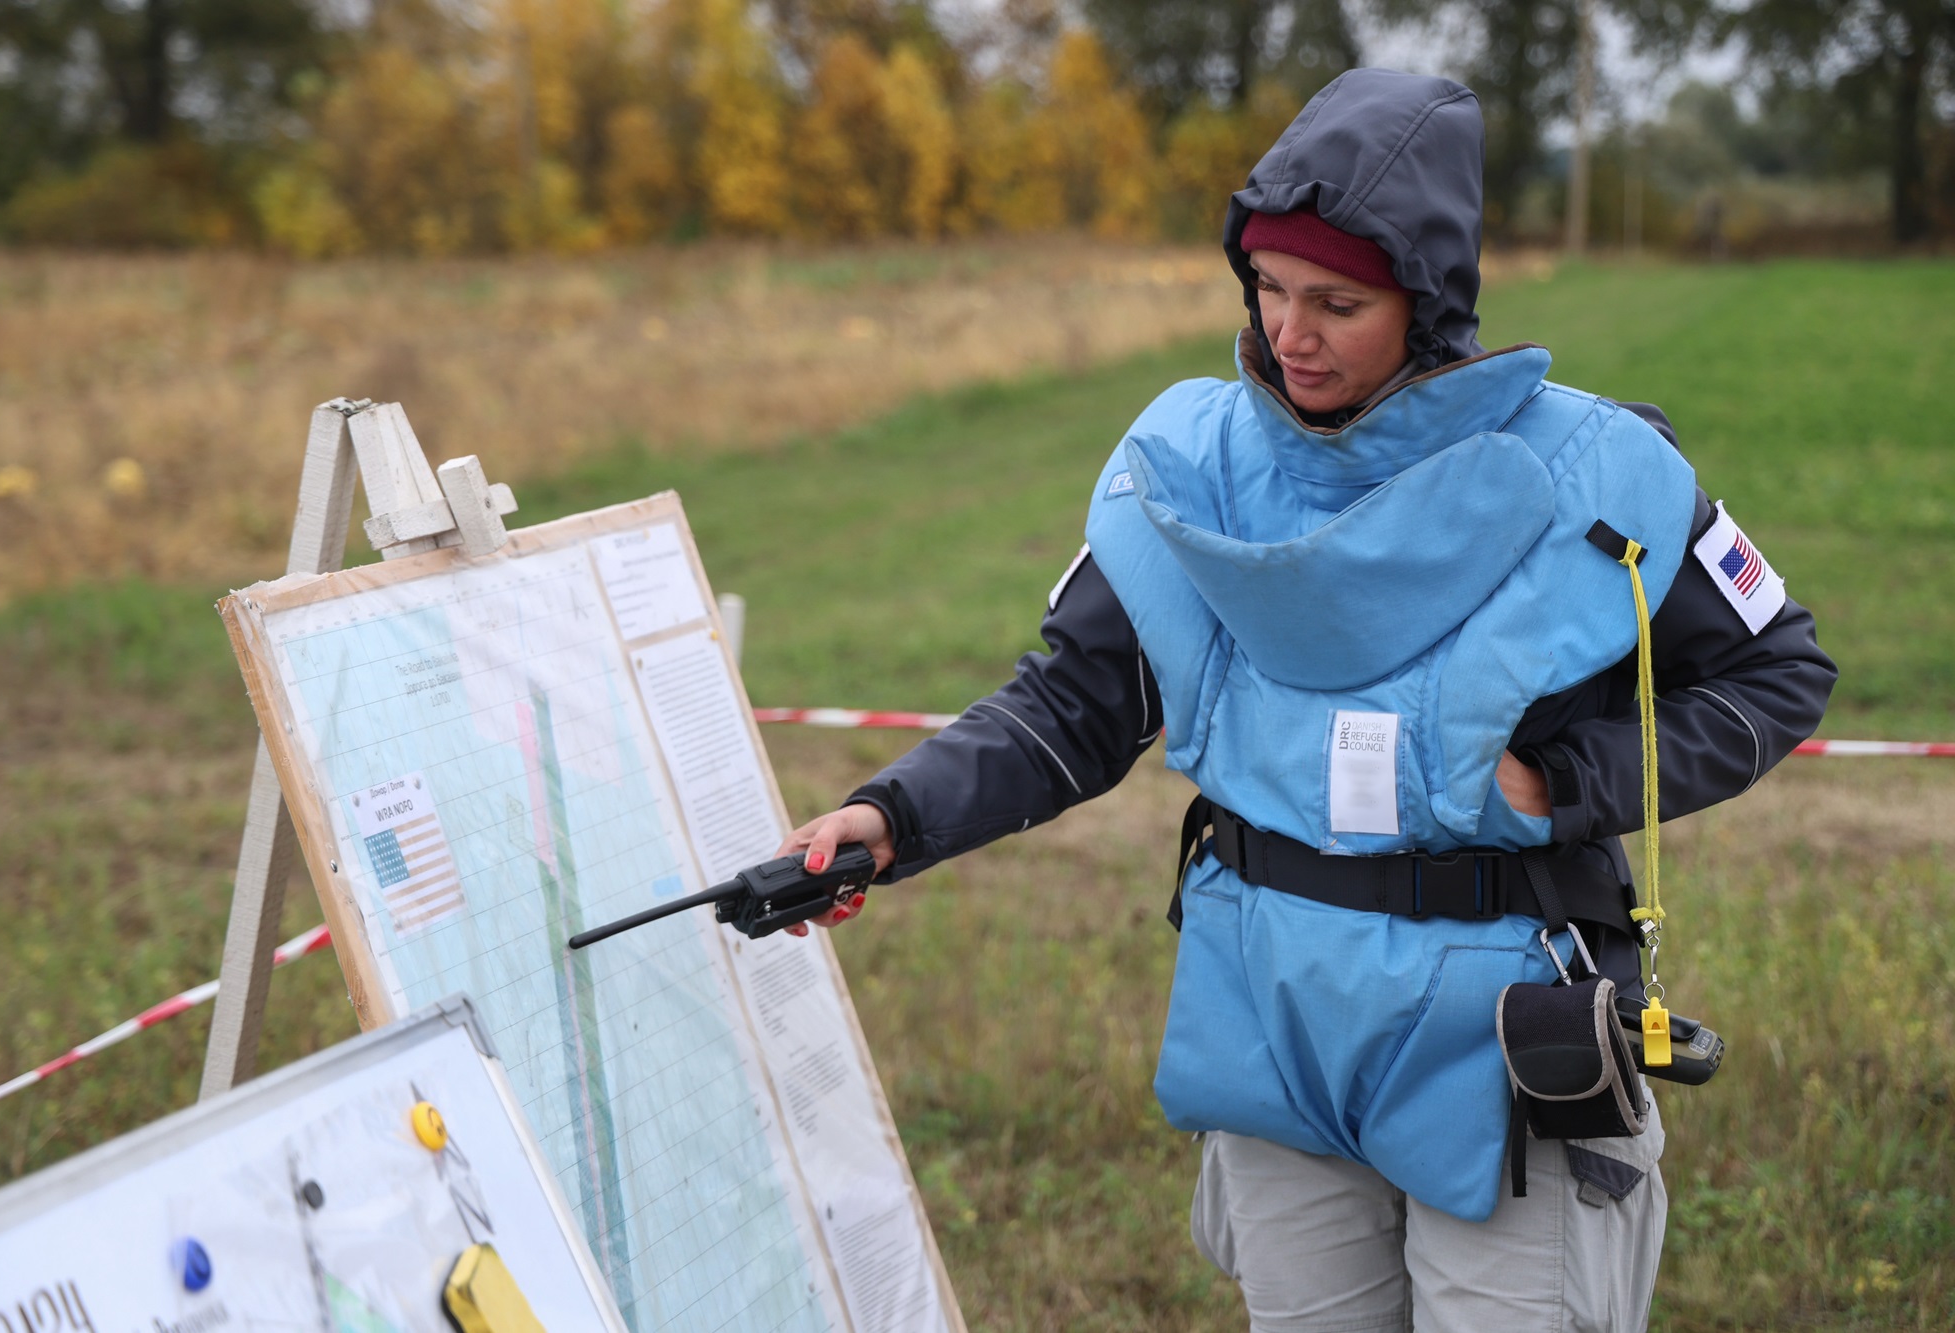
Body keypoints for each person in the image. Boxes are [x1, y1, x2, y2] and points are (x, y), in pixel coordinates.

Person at [778, 69, 1835, 1332]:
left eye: (1337, 301)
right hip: (1268, 1012)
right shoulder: (1193, 474)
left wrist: (1569, 782)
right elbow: (1072, 702)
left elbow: (1779, 670)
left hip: (1502, 1034)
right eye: (1269, 291)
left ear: (1428, 300)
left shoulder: (1598, 476)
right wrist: (892, 815)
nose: (1291, 333)